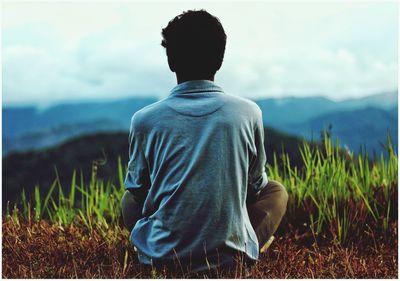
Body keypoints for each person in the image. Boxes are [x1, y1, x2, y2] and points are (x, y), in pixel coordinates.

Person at [121, 9, 288, 274]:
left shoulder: (144, 119)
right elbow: (255, 187)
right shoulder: (248, 112)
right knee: (276, 192)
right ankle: (244, 245)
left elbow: (139, 190)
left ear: (170, 60)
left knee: (128, 201)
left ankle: (152, 246)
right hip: (228, 262)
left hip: (162, 258)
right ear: (220, 60)